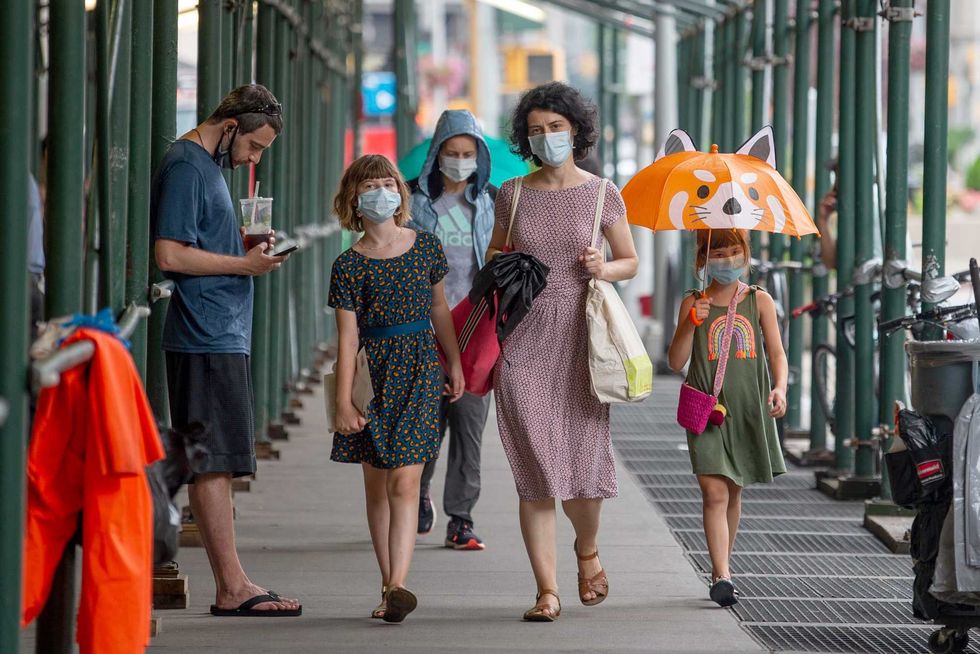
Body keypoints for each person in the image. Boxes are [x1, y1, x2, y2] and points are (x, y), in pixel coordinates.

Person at [485, 82, 639, 622]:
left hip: (580, 342)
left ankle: (587, 547)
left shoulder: (602, 193)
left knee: (579, 464)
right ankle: (546, 591)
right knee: (534, 467)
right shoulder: (512, 193)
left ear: (575, 129)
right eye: (535, 130)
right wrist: (508, 264)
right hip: (522, 340)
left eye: (555, 126)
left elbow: (630, 261)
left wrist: (604, 267)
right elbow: (495, 256)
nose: (546, 137)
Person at [152, 84, 301, 617]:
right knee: (212, 462)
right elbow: (169, 252)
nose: (254, 158)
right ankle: (232, 587)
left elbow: (194, 242)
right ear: (232, 126)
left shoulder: (203, 167)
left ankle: (234, 580)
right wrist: (245, 265)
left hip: (218, 330)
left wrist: (241, 243)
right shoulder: (188, 166)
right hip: (204, 332)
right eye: (255, 147)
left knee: (220, 459)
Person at [328, 154, 465, 623]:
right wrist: (344, 402)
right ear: (354, 200)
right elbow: (347, 338)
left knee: (406, 481)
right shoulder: (348, 265)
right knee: (376, 487)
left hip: (422, 367)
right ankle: (388, 585)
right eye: (370, 186)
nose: (381, 192)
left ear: (400, 195)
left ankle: (399, 584)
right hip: (373, 372)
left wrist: (455, 362)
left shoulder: (426, 247)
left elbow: (440, 309)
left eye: (388, 183)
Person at [667, 228, 788, 607]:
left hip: (749, 408)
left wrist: (780, 387)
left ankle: (724, 568)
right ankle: (721, 575)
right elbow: (675, 361)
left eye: (735, 252)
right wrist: (691, 321)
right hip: (706, 409)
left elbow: (777, 353)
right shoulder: (694, 300)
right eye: (718, 254)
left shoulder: (759, 300)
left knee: (733, 490)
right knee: (714, 491)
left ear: (746, 254)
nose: (728, 260)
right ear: (702, 260)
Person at [409, 109, 495, 550]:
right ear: (437, 154)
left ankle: (460, 517)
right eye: (452, 152)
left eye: (468, 153)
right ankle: (418, 494)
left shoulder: (493, 202)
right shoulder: (412, 202)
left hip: (475, 330)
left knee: (468, 424)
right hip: (424, 329)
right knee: (425, 424)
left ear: (480, 157)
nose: (461, 161)